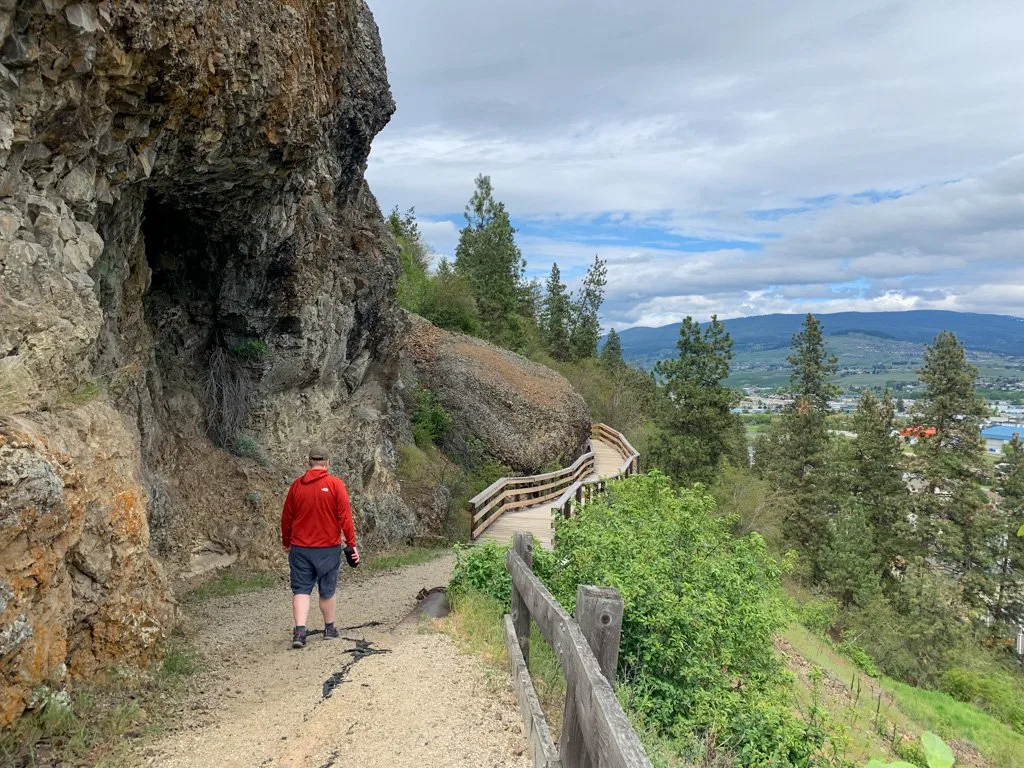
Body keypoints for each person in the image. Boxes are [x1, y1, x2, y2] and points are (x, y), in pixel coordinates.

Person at [281, 446, 359, 649]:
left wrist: (286, 542)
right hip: (328, 548)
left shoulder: (296, 486)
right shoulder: (335, 485)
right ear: (328, 463)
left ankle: (299, 631)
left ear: (309, 462)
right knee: (327, 590)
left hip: (300, 548)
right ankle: (329, 628)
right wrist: (351, 544)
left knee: (301, 590)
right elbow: (345, 517)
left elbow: (287, 518)